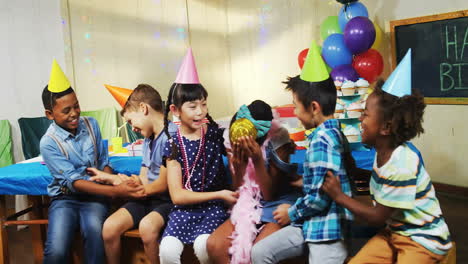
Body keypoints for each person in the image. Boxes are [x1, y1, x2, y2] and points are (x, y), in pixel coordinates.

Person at [322, 78, 452, 263]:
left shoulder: (401, 164)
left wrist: (339, 196)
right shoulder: (384, 151)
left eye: (365, 114)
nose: (360, 119)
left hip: (422, 240)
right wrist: (357, 172)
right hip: (395, 232)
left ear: (386, 127)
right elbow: (384, 181)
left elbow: (377, 217)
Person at [251, 55, 353, 263]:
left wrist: (292, 212)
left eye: (296, 106)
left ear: (314, 107)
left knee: (261, 253)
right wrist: (305, 180)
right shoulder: (333, 133)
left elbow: (319, 198)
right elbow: (327, 178)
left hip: (326, 232)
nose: (295, 113)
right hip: (312, 224)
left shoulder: (322, 140)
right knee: (260, 252)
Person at [40, 60, 144, 264]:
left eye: (76, 106)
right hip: (65, 199)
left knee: (95, 234)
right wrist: (116, 191)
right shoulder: (48, 142)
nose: (74, 113)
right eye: (66, 110)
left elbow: (103, 161)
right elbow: (74, 182)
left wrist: (108, 179)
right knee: (57, 250)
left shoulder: (91, 125)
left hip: (95, 196)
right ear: (50, 114)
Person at [158, 48, 238, 264]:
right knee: (166, 250)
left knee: (204, 246)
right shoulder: (173, 145)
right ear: (175, 110)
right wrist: (219, 193)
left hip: (214, 210)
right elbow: (177, 196)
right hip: (184, 211)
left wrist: (234, 155)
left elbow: (234, 167)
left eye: (203, 104)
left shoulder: (214, 135)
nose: (200, 111)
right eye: (192, 106)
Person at [87, 84, 176, 264]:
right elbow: (143, 177)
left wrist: (135, 189)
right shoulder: (147, 140)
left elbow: (162, 185)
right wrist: (117, 179)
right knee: (109, 228)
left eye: (130, 121)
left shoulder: (171, 136)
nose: (132, 128)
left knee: (147, 227)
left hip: (168, 201)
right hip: (147, 198)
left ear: (143, 109)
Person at [207, 101, 302, 264]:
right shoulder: (232, 138)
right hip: (249, 201)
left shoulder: (279, 138)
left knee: (259, 250)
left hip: (278, 201)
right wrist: (239, 166)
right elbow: (239, 189)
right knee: (214, 245)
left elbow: (269, 194)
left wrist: (258, 161)